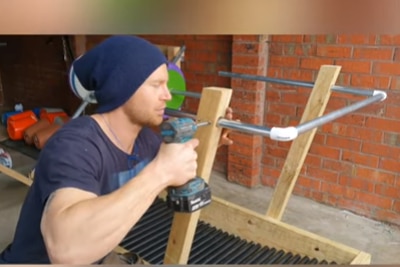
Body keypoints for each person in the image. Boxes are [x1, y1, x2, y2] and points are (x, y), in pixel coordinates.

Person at [0, 35, 233, 264]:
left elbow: (178, 169)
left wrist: (212, 141)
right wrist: (160, 172)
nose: (168, 95)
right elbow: (65, 250)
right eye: (156, 85)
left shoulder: (145, 142)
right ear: (123, 88)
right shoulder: (74, 144)